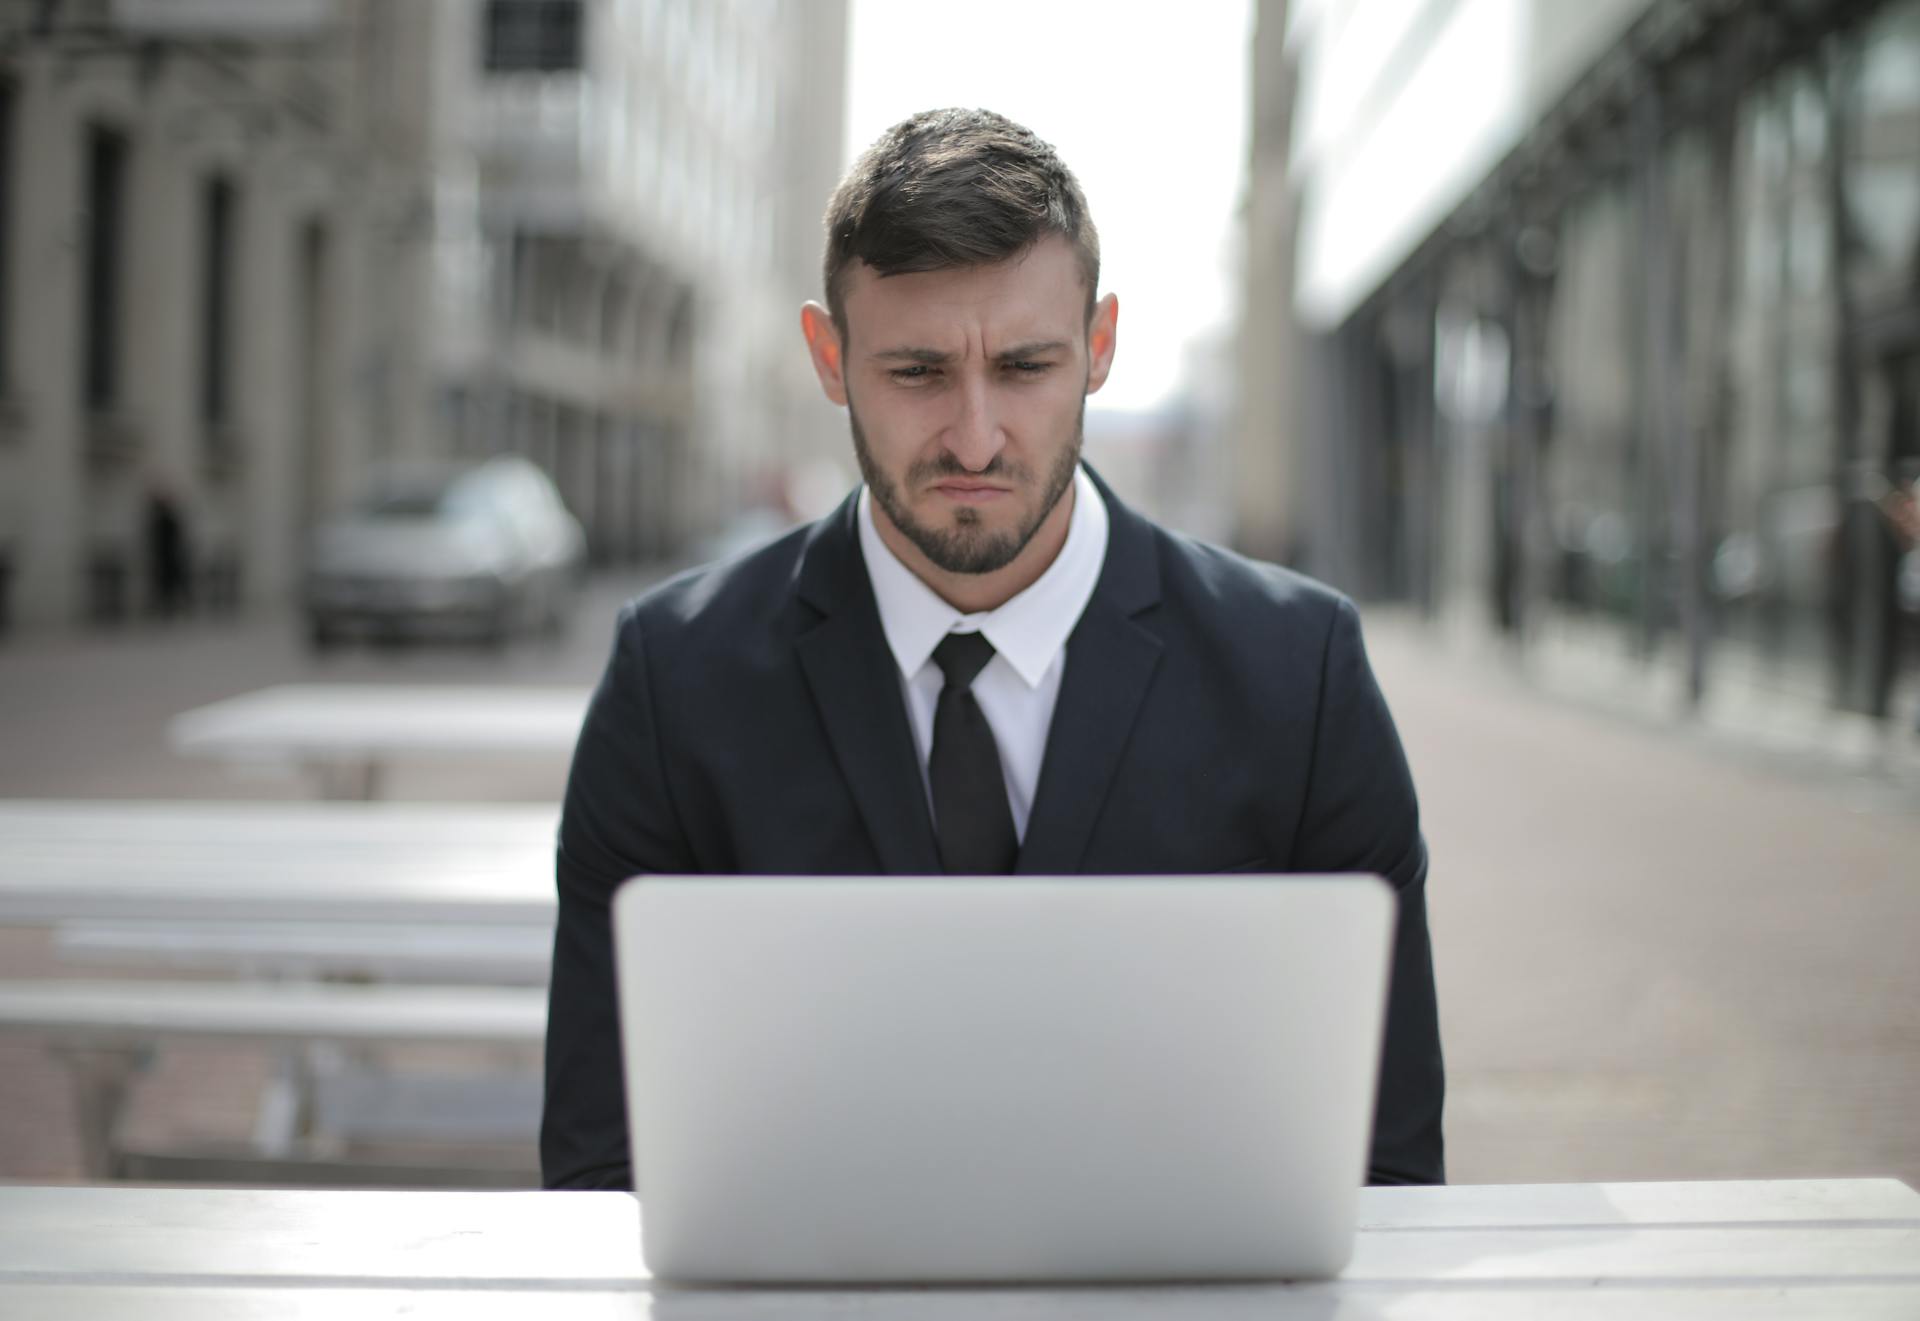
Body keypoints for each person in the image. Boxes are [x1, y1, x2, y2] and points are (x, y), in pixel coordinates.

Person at [542, 109, 1444, 1191]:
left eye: (1024, 366)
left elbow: (1391, 1174)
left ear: (1100, 347)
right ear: (829, 358)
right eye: (918, 372)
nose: (975, 439)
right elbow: (598, 1170)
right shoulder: (671, 684)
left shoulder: (1301, 676)